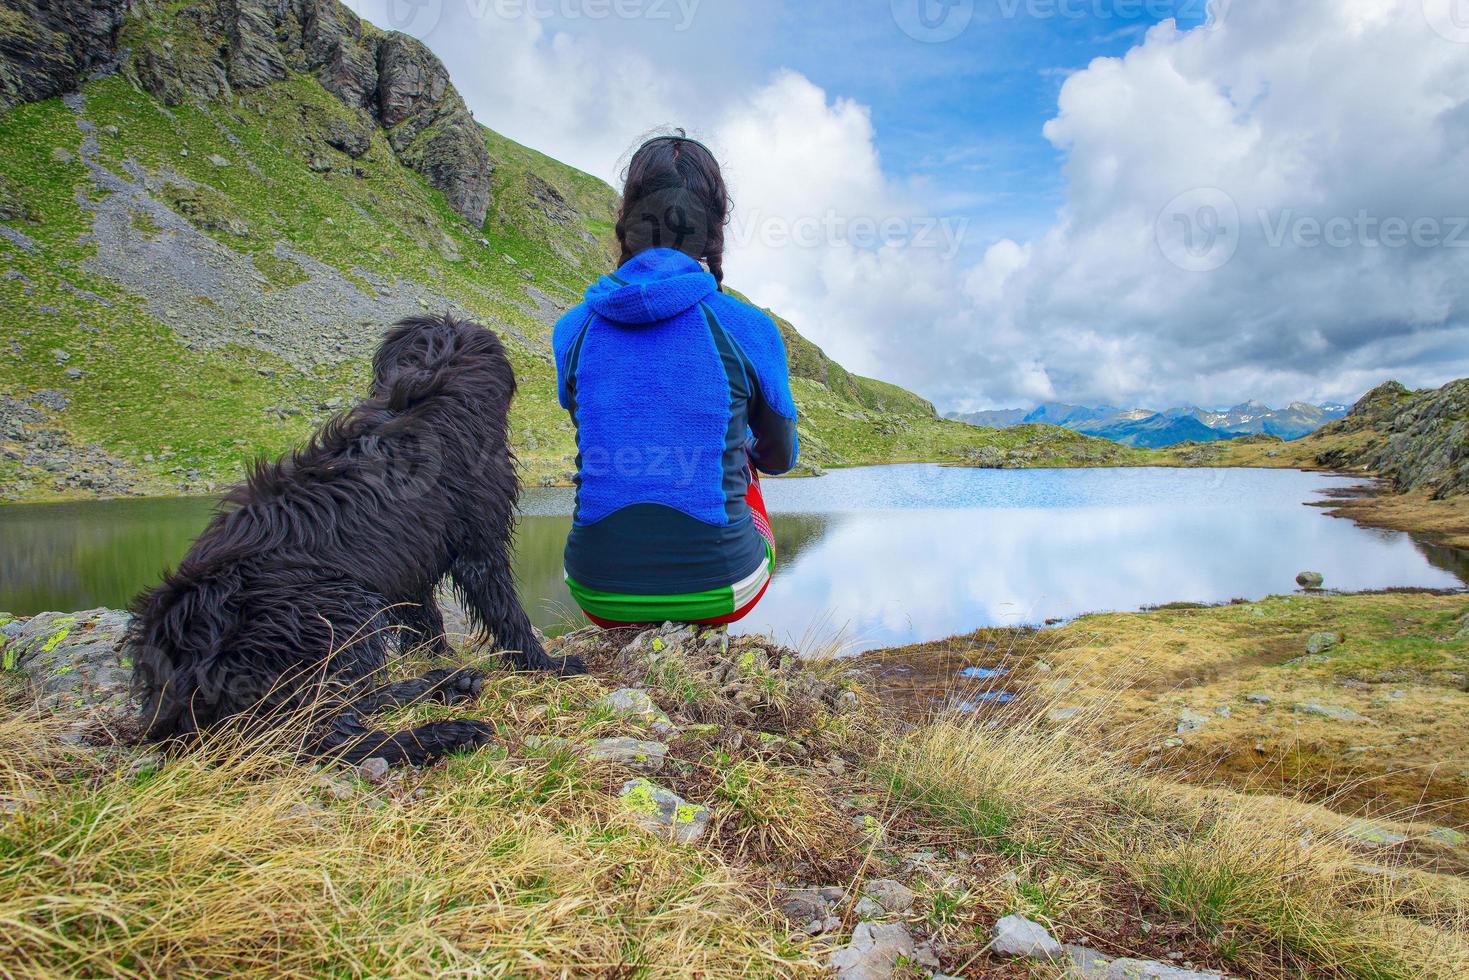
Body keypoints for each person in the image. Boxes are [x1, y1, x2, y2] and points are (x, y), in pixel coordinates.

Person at [552, 131, 798, 629]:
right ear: (712, 227)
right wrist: (743, 450)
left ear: (627, 220)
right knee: (742, 474)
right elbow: (781, 459)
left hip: (594, 590)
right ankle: (699, 621)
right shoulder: (747, 327)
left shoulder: (572, 329)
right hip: (723, 590)